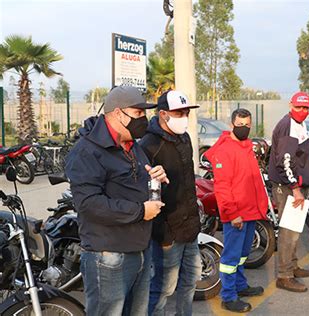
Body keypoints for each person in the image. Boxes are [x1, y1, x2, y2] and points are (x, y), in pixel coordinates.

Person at [65, 86, 167, 316]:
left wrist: (156, 178)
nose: (144, 119)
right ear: (119, 113)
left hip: (140, 249)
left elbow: (135, 185)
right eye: (139, 113)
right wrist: (140, 211)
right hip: (109, 256)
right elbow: (89, 204)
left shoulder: (134, 146)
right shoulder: (87, 152)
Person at [139, 90, 202, 316]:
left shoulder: (184, 138)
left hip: (190, 228)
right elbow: (146, 192)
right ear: (163, 114)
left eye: (186, 112)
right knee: (164, 288)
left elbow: (187, 183)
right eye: (179, 112)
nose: (184, 116)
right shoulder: (149, 144)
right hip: (167, 233)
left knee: (190, 280)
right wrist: (163, 234)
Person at [205, 108, 268, 313]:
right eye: (240, 125)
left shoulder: (246, 146)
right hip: (237, 214)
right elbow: (222, 187)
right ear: (232, 124)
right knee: (230, 259)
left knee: (242, 255)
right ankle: (229, 296)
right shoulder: (225, 150)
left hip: (250, 211)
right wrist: (232, 214)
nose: (244, 128)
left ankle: (240, 286)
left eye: (247, 125)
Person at [268, 92, 309, 292]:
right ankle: (284, 275)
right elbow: (285, 162)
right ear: (291, 105)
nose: (302, 111)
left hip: (295, 184)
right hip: (288, 186)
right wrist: (296, 189)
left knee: (295, 229)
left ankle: (293, 265)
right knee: (289, 232)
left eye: (306, 108)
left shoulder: (298, 124)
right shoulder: (287, 125)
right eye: (299, 107)